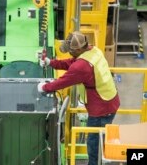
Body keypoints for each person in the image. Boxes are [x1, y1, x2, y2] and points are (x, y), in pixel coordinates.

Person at [37, 31, 120, 165]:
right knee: (98, 139)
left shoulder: (82, 66)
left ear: (79, 49)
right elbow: (72, 63)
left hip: (101, 109)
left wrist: (44, 88)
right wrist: (51, 62)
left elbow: (64, 81)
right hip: (110, 100)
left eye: (71, 51)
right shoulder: (93, 50)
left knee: (94, 142)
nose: (69, 53)